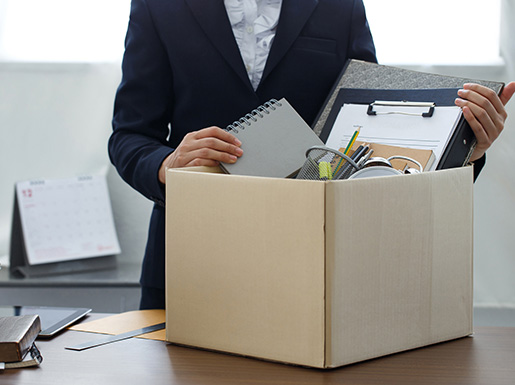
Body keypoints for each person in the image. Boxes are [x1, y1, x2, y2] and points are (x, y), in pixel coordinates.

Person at [109, 0, 515, 310]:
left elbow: (368, 136)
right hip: (190, 257)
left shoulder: (340, 5)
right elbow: (129, 135)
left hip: (312, 262)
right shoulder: (157, 5)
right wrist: (165, 166)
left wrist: (466, 147)